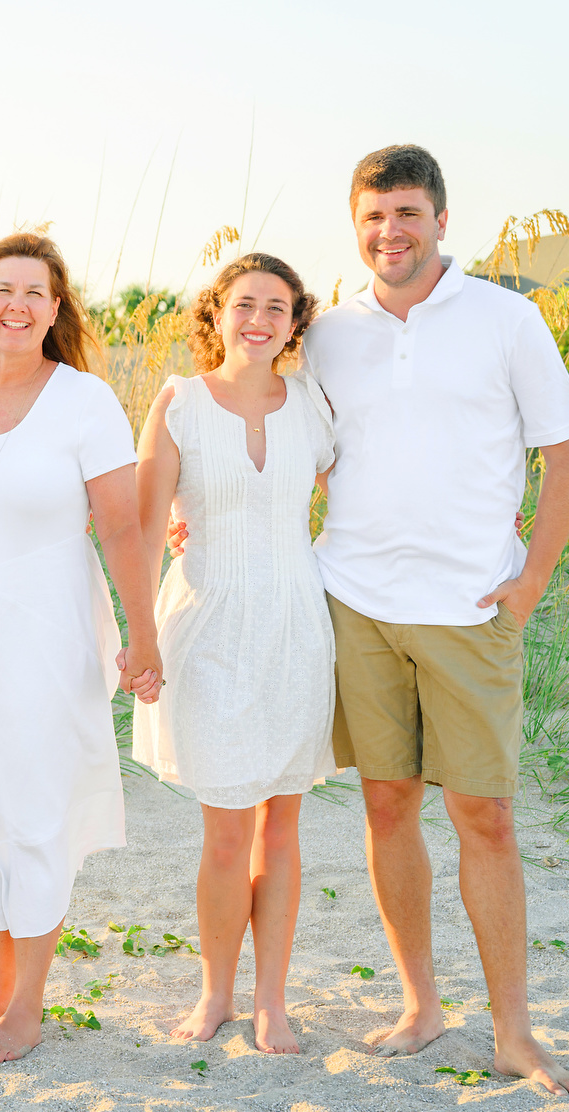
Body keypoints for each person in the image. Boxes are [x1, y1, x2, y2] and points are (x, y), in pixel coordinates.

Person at [173, 146, 569, 1094]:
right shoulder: (330, 332)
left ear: (442, 219)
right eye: (371, 217)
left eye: (406, 213)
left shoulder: (506, 319)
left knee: (483, 814)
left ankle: (514, 1032)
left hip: (469, 605)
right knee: (386, 804)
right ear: (354, 226)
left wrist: (527, 583)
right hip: (351, 599)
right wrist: (194, 506)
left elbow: (566, 455)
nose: (388, 233)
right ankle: (420, 1004)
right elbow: (289, 439)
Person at [0, 232, 160, 1064]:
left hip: (48, 633)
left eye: (36, 294)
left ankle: (29, 1000)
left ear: (56, 311)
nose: (17, 306)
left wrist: (142, 631)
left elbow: (122, 527)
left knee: (35, 808)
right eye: (2, 290)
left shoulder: (86, 401)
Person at [132, 253, 333, 1055]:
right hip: (208, 629)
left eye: (276, 308)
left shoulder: (314, 404)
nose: (259, 319)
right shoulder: (179, 402)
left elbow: (364, 497)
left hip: (293, 628)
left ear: (295, 322)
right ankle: (216, 993)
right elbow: (147, 531)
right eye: (244, 304)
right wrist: (138, 636)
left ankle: (272, 1003)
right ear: (215, 313)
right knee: (225, 833)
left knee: (280, 830)